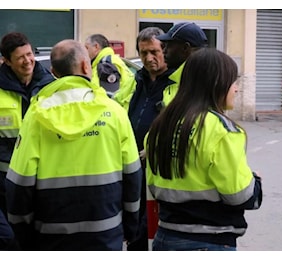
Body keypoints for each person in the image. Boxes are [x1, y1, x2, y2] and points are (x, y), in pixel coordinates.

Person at [5, 39, 143, 250]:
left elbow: (20, 184)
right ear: (86, 66)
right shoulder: (114, 112)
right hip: (106, 234)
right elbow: (133, 175)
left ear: (53, 72)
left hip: (51, 236)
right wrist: (130, 228)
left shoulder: (36, 115)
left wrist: (25, 236)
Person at [145, 48, 263, 251]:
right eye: (233, 82)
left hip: (165, 237)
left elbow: (154, 186)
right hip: (209, 241)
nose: (236, 89)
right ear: (217, 84)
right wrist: (256, 182)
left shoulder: (161, 125)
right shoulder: (222, 130)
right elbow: (241, 196)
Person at [115, 27, 175, 251]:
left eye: (154, 52)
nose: (148, 58)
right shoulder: (136, 79)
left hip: (159, 167)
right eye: (143, 53)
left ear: (164, 50)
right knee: (133, 226)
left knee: (150, 227)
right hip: (132, 164)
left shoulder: (176, 83)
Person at [0, 32, 55, 216]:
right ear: (6, 61)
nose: (27, 61)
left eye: (29, 54)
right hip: (5, 181)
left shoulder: (51, 86)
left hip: (44, 177)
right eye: (20, 57)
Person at [156, 22, 208, 106]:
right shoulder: (175, 78)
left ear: (185, 48)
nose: (164, 51)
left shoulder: (201, 83)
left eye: (168, 46)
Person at [84, 33, 136, 98]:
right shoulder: (112, 59)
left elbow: (110, 97)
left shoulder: (106, 64)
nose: (85, 51)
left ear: (96, 47)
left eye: (87, 48)